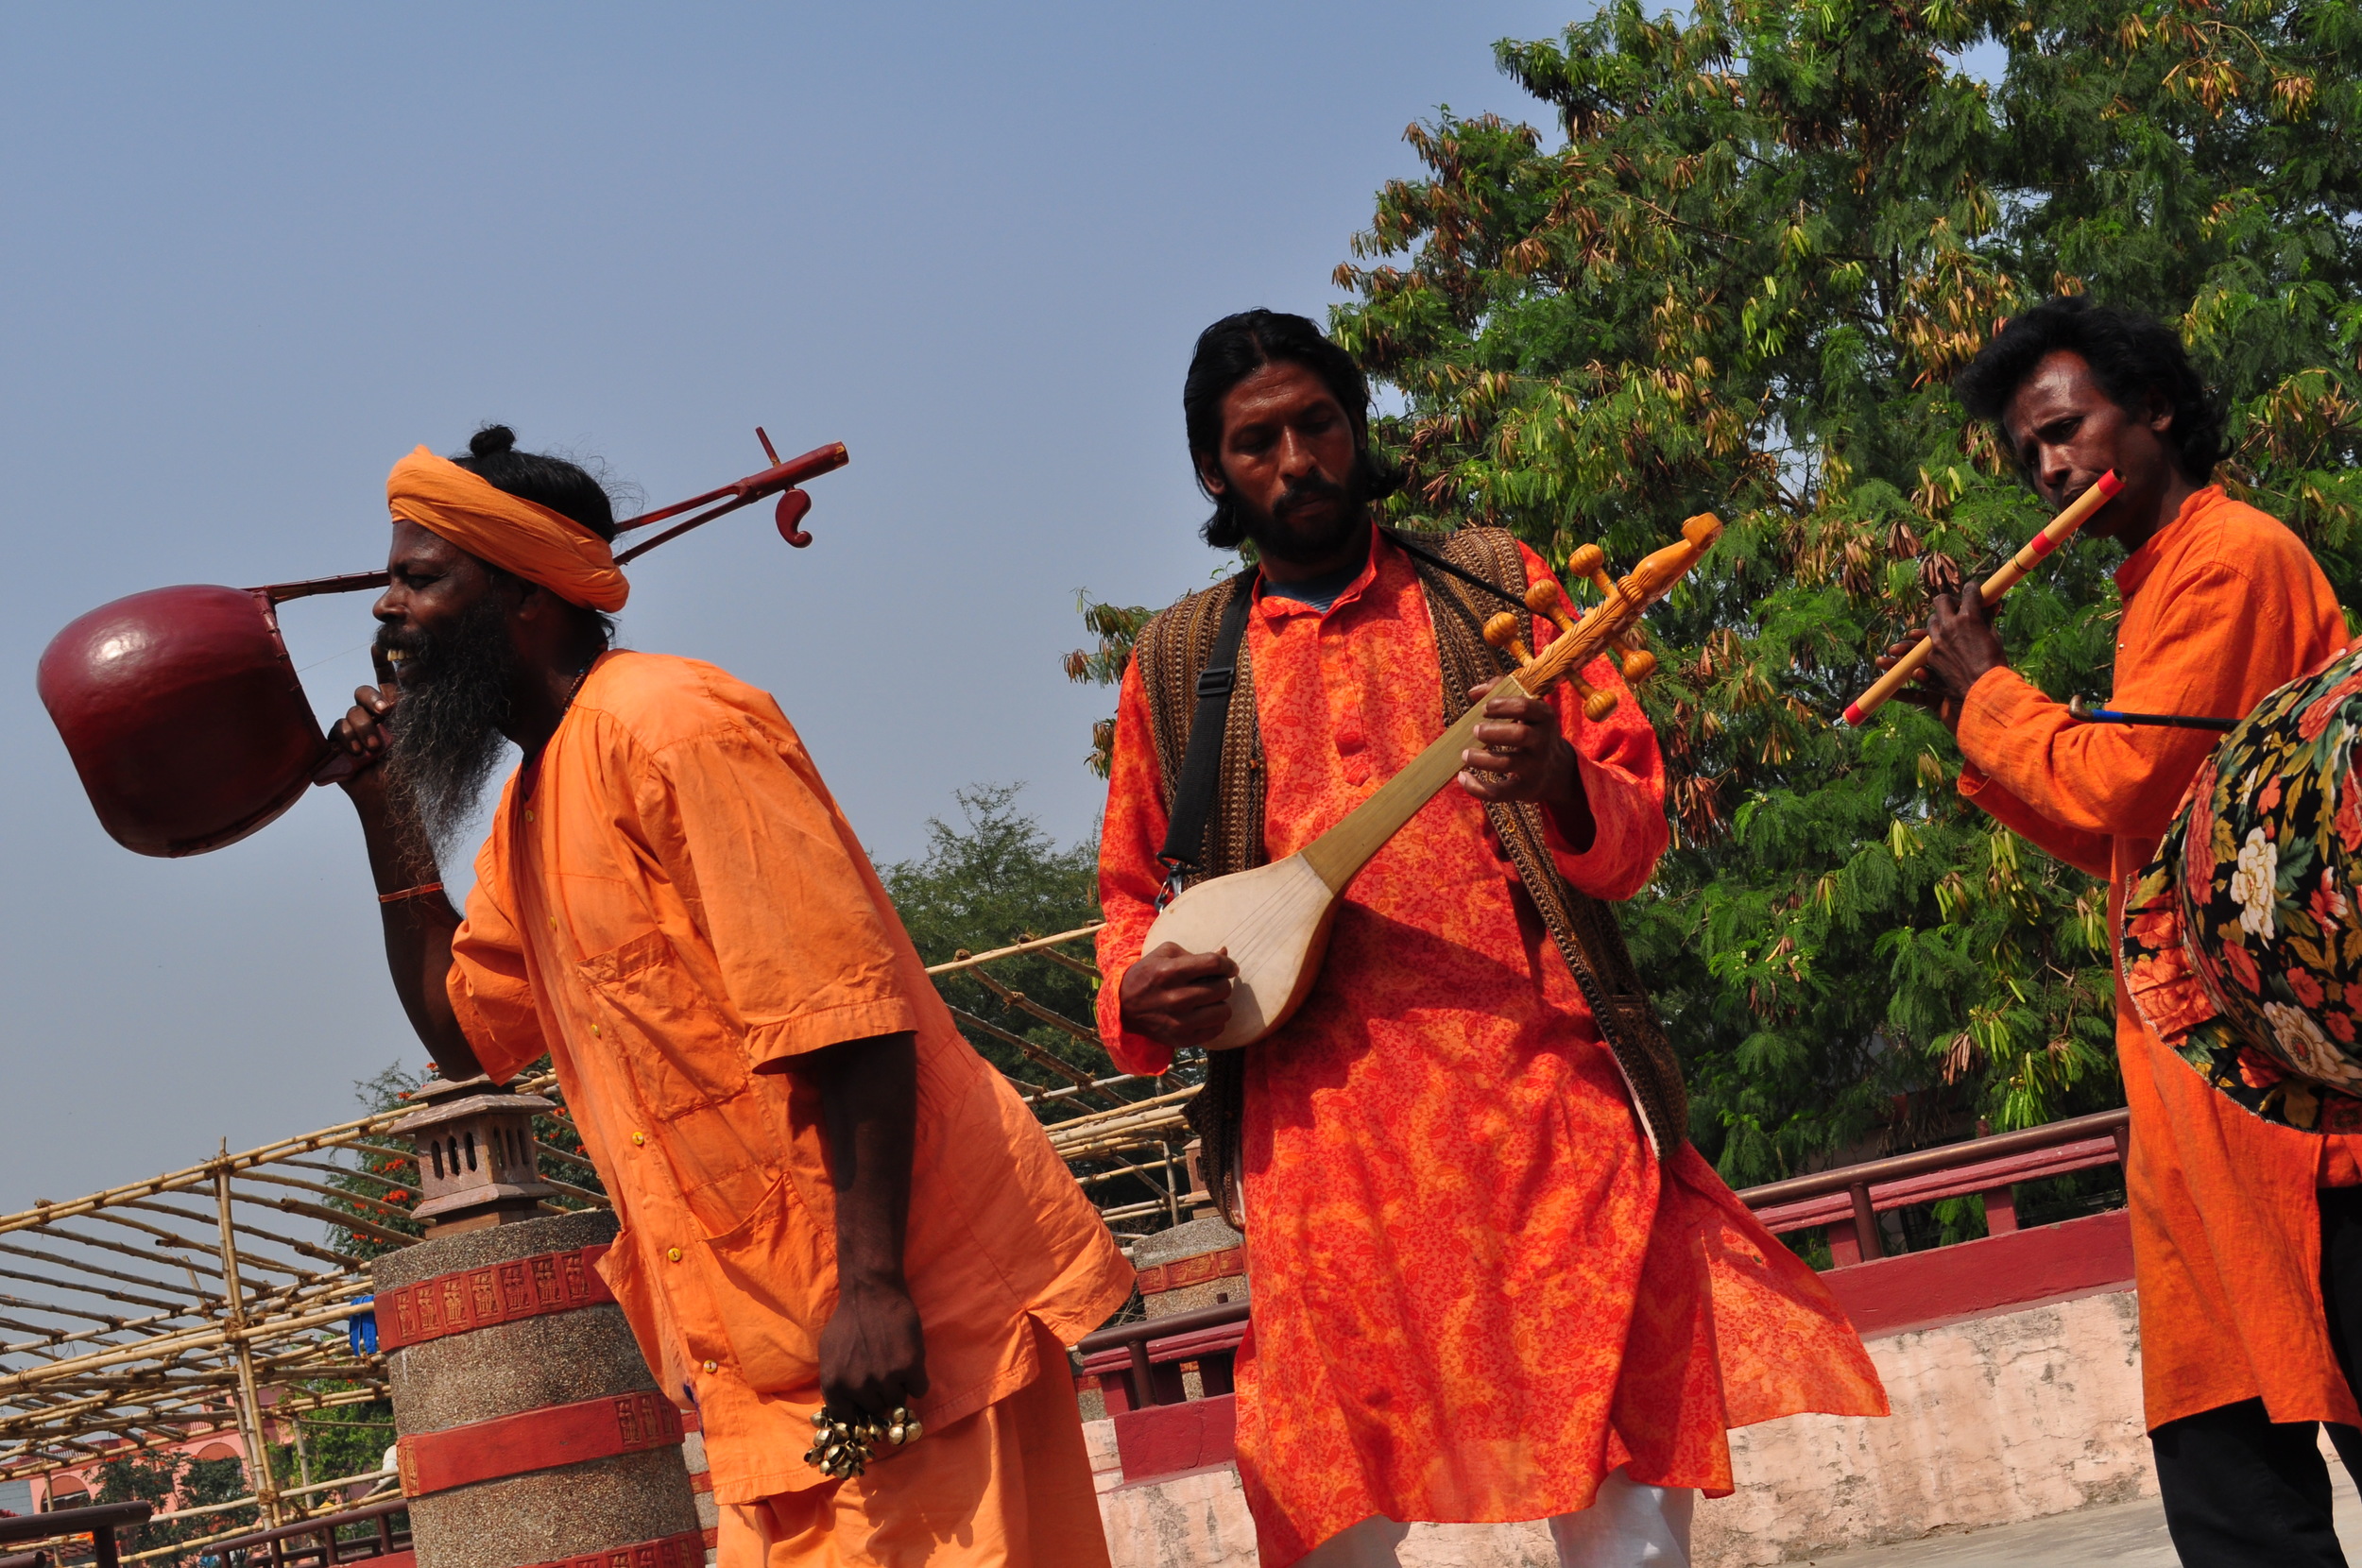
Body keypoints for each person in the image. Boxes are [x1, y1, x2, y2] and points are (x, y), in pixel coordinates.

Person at [1096, 310, 1887, 1568]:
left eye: (1319, 425)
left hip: (1549, 1122)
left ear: (1358, 434)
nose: (1297, 460)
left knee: (1619, 1499)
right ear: (1213, 471)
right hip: (1320, 1158)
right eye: (1259, 443)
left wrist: (1560, 781)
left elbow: (1633, 838)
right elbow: (1133, 894)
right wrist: (1145, 993)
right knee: (1325, 1514)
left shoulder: (1493, 586)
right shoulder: (1183, 660)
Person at [328, 427, 1131, 1568]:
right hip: (769, 1369)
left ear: (527, 597)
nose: (387, 611)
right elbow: (468, 1036)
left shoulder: (675, 725)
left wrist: (872, 1289)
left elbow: (841, 1009)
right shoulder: (534, 805)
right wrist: (383, 805)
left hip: (906, 1326)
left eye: (419, 577)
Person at [1901, 295, 2353, 1566]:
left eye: (2066, 428)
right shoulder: (2151, 587)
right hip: (2196, 1126)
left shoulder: (2235, 558)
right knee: (2231, 1505)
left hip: (2302, 1122)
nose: (2050, 466)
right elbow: (2135, 845)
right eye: (2030, 453)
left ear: (2153, 408)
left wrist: (1991, 690)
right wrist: (1970, 727)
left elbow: (2118, 782)